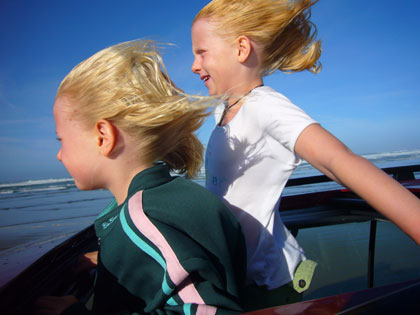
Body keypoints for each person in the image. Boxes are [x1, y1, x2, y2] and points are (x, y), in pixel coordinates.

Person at [191, 0, 420, 310]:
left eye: (201, 52)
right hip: (236, 278)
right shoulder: (223, 111)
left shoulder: (264, 105)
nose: (194, 65)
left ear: (241, 48)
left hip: (268, 284)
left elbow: (337, 160)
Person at [34, 39, 249, 315]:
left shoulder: (146, 221)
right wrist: (114, 260)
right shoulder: (167, 201)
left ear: (103, 137)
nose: (59, 155)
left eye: (61, 140)